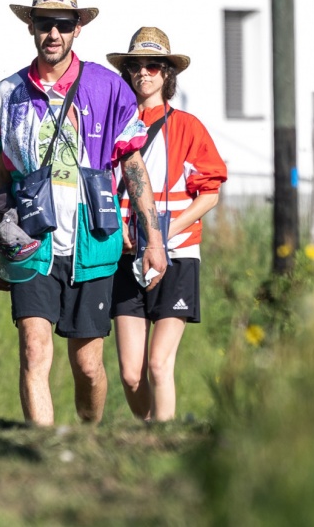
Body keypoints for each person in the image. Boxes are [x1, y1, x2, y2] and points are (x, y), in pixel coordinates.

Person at [0, 0, 168, 426]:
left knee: (87, 366)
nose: (53, 34)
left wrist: (153, 237)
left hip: (92, 243)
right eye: (45, 23)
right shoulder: (9, 93)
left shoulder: (109, 89)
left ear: (77, 28)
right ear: (31, 26)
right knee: (34, 350)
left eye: (63, 24)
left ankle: (87, 440)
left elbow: (133, 166)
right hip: (30, 242)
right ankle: (43, 453)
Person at [108, 27, 227, 422]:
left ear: (166, 74)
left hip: (178, 256)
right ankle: (147, 436)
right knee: (130, 373)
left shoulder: (188, 127)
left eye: (153, 65)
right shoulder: (113, 128)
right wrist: (123, 233)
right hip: (125, 256)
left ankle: (163, 442)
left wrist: (166, 232)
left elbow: (209, 193)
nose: (144, 73)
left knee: (159, 364)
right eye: (136, 66)